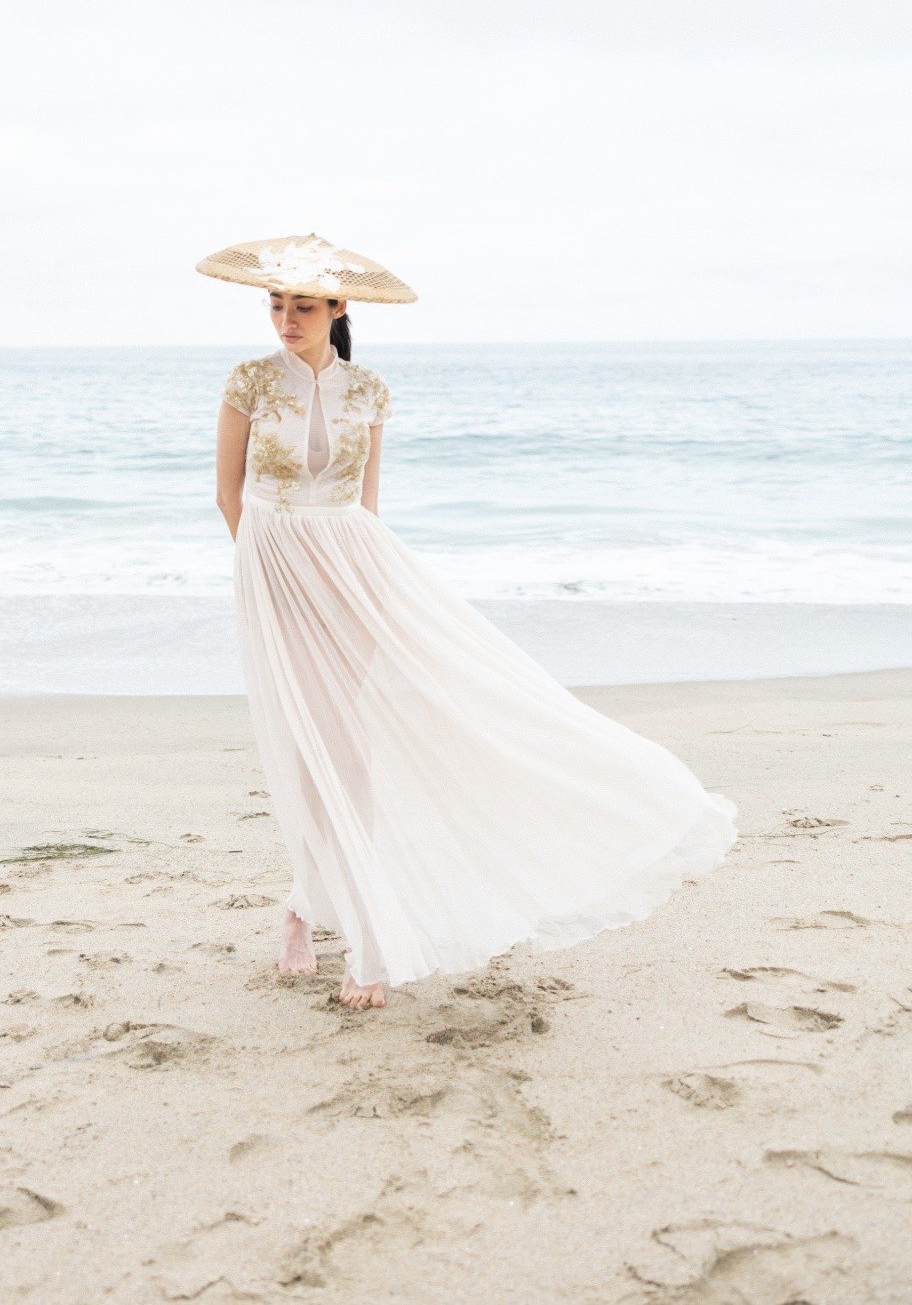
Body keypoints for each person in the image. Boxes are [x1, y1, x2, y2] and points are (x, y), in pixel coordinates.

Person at [200, 232, 738, 1011]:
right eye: (277, 303)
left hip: (355, 569)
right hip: (275, 572)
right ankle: (328, 918)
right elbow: (228, 494)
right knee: (306, 748)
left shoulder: (370, 391)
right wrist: (266, 578)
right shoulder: (248, 379)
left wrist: (370, 590)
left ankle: (319, 910)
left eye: (304, 305)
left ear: (339, 307)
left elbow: (367, 503)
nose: (287, 317)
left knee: (353, 753)